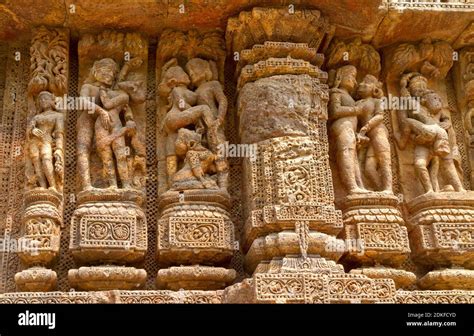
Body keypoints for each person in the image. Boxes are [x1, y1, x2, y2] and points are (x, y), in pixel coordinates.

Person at [26, 91, 64, 191]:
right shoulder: (36, 117)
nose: (43, 101)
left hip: (47, 140)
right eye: (41, 100)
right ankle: (42, 186)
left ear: (52, 101)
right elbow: (29, 130)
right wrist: (32, 130)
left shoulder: (57, 116)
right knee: (36, 161)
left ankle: (53, 186)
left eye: (45, 99)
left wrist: (59, 149)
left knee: (46, 158)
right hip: (34, 141)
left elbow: (59, 133)